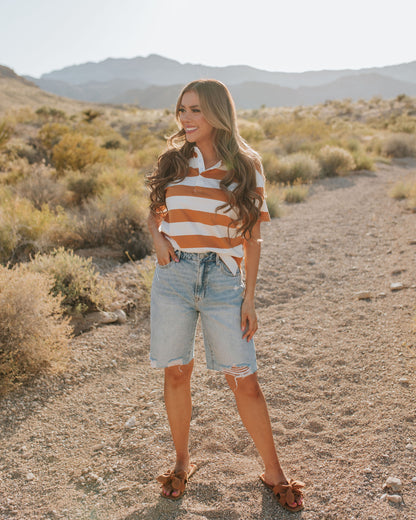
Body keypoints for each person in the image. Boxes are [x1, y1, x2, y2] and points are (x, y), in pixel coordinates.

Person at [146, 79, 304, 512]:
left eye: (195, 109)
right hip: (174, 276)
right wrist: (156, 236)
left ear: (216, 112)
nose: (186, 118)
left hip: (222, 278)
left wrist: (249, 298)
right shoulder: (173, 159)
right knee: (176, 372)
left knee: (244, 379)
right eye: (182, 109)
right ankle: (182, 461)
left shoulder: (246, 164)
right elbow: (156, 207)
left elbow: (253, 239)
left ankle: (274, 471)